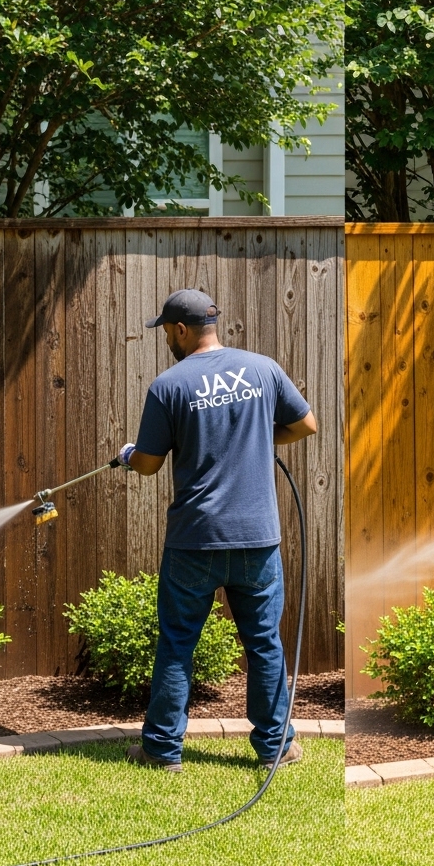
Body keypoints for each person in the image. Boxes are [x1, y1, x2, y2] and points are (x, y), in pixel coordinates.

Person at [118, 288, 317, 774]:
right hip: (257, 540)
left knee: (177, 643)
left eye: (166, 331)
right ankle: (276, 747)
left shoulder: (169, 385)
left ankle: (163, 751)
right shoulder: (263, 368)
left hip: (195, 541)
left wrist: (126, 456)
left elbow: (147, 464)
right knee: (264, 642)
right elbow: (306, 424)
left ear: (182, 330)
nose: (166, 338)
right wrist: (255, 438)